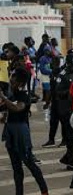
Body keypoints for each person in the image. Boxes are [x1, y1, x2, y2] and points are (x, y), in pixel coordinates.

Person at [0, 67, 48, 195]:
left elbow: (16, 108)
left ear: (20, 83)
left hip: (20, 131)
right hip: (10, 130)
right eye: (10, 80)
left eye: (13, 81)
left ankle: (44, 191)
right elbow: (4, 110)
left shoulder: (24, 96)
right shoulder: (11, 94)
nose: (11, 83)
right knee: (16, 168)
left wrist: (3, 98)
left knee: (30, 163)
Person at [42, 56, 66, 148]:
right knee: (53, 122)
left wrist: (47, 102)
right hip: (55, 102)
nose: (51, 64)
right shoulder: (53, 73)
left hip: (61, 101)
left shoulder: (61, 73)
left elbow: (52, 90)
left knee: (63, 122)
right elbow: (51, 90)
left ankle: (64, 140)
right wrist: (48, 103)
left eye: (53, 62)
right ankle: (51, 140)